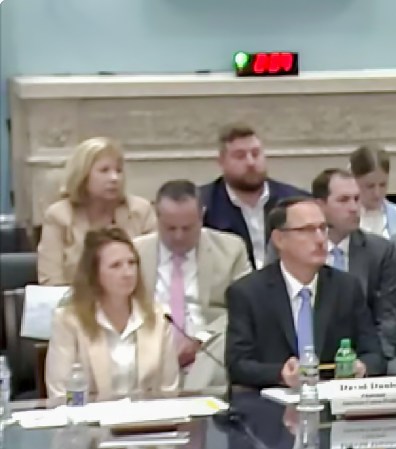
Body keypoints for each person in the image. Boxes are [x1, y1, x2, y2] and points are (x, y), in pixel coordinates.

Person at [226, 197, 385, 388]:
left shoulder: (346, 287)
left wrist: (362, 367)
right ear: (279, 239)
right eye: (308, 230)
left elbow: (374, 354)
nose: (320, 239)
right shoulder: (248, 292)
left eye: (323, 228)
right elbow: (238, 364)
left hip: (333, 396)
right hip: (272, 399)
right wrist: (280, 374)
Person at [133, 180, 252, 391]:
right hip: (148, 349)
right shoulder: (134, 253)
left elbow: (246, 309)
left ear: (202, 216)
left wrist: (200, 340)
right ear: (157, 217)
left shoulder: (231, 249)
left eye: (187, 228)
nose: (178, 236)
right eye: (170, 228)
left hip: (209, 347)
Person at [45, 227, 178, 400]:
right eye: (116, 266)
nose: (128, 273)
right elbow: (61, 394)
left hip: (147, 416)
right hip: (91, 416)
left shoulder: (157, 317)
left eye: (132, 263)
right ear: (94, 274)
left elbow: (169, 390)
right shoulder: (68, 321)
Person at [309, 168, 396, 374]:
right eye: (343, 200)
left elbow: (390, 318)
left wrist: (370, 361)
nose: (354, 208)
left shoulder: (381, 251)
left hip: (366, 353)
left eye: (356, 199)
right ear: (320, 205)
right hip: (311, 354)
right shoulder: (299, 248)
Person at [38, 137, 156, 286]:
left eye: (118, 171)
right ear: (82, 175)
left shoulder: (140, 211)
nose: (114, 178)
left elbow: (154, 270)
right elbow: (51, 280)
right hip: (74, 298)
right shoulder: (58, 216)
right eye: (104, 170)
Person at [200, 124, 308, 270]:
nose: (250, 162)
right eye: (240, 156)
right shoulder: (204, 206)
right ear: (221, 162)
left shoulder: (296, 202)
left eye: (256, 154)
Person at [349, 144, 396, 238]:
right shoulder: (342, 219)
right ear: (353, 179)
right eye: (370, 186)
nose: (377, 193)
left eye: (383, 185)